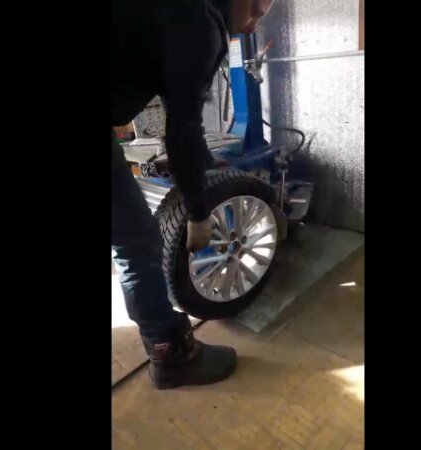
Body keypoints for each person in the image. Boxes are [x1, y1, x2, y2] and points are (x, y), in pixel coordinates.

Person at [111, 0, 275, 390]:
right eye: (255, 12)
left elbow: (178, 103)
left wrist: (200, 164)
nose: (252, 28)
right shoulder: (201, 20)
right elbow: (182, 128)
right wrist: (199, 213)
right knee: (137, 243)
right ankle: (170, 355)